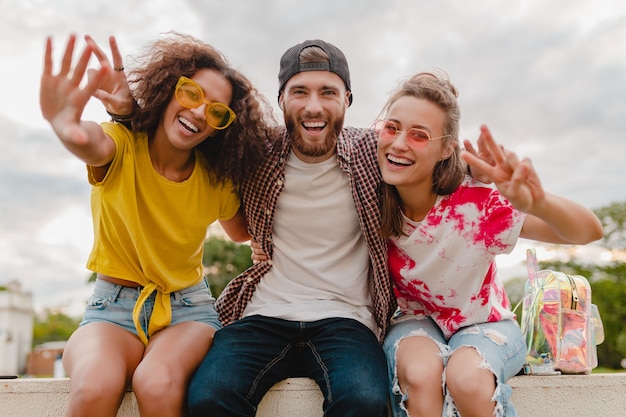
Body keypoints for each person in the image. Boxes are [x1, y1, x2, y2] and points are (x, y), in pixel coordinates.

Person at [39, 32, 274, 417]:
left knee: (157, 382)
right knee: (95, 386)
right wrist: (68, 129)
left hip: (188, 310)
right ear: (167, 89)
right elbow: (92, 143)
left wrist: (267, 229)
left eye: (217, 111)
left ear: (222, 128)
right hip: (111, 308)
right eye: (191, 93)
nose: (199, 112)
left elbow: (242, 232)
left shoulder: (216, 180)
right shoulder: (121, 142)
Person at [184, 40, 396, 417]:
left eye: (328, 92)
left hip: (346, 319)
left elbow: (437, 164)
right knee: (207, 397)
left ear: (347, 99)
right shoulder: (255, 152)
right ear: (282, 99)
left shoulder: (373, 151)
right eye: (300, 92)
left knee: (365, 402)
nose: (313, 106)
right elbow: (190, 134)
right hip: (265, 314)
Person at [375, 71, 604, 417]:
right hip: (414, 319)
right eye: (392, 128)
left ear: (446, 149)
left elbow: (588, 231)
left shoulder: (475, 204)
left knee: (467, 378)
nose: (399, 143)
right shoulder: (369, 190)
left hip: (486, 322)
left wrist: (536, 202)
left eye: (419, 135)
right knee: (420, 376)